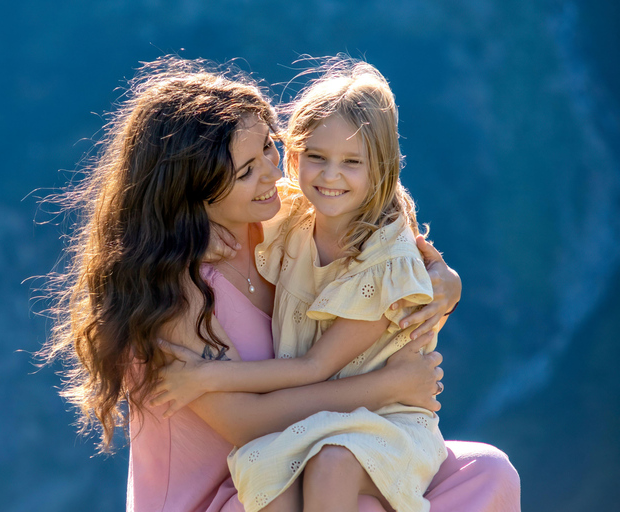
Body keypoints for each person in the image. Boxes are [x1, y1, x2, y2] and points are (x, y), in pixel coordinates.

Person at [39, 56, 520, 512]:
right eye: (248, 171)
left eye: (269, 146)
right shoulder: (171, 292)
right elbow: (247, 424)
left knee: (491, 474)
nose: (274, 172)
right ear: (194, 188)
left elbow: (375, 262)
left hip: (299, 457)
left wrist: (444, 285)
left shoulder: (276, 224)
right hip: (225, 493)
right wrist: (387, 386)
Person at [152, 58, 454, 512]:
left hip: (387, 419)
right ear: (297, 153)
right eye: (316, 157)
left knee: (330, 466)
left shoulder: (383, 263)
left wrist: (209, 375)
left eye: (351, 162)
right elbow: (216, 203)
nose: (329, 176)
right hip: (317, 419)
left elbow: (315, 366)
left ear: (381, 168)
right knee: (269, 471)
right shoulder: (294, 215)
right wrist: (199, 228)